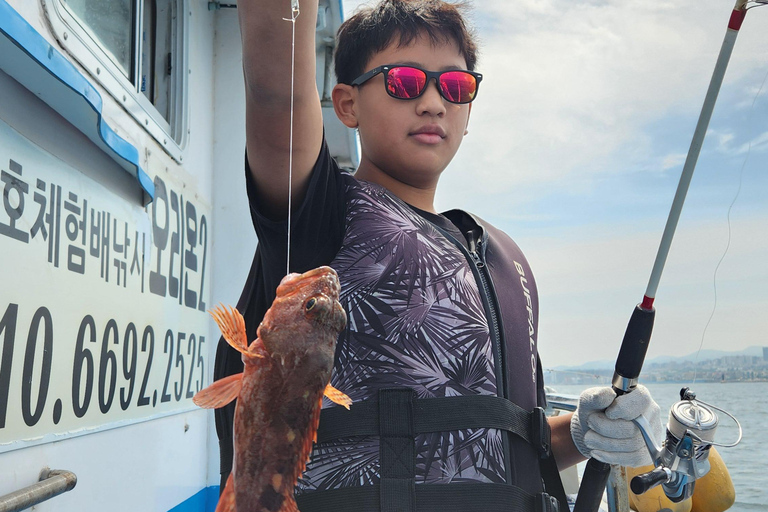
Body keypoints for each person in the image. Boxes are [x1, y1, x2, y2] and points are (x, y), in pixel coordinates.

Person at [214, 1, 665, 510]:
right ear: (346, 105)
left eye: (454, 87)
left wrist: (585, 434)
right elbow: (277, 93)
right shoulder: (322, 210)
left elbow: (504, 442)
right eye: (404, 81)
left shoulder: (502, 261)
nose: (433, 102)